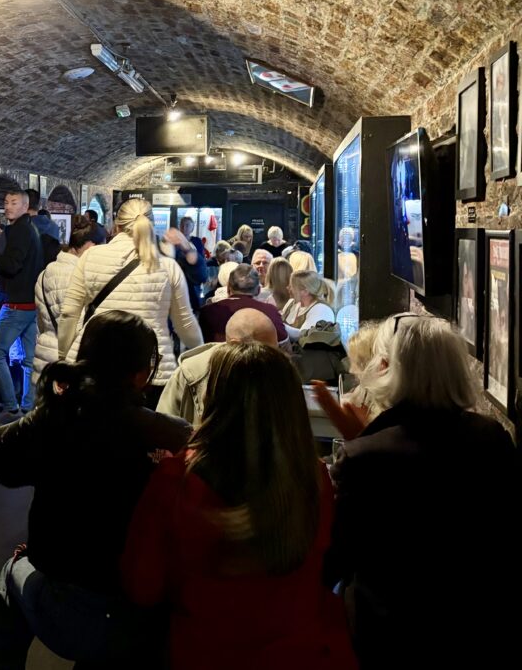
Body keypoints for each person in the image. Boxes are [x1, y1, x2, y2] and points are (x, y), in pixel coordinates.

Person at [124, 343, 358, 670]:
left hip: (205, 652)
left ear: (213, 397)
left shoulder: (176, 479)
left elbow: (142, 586)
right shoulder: (314, 478)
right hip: (305, 652)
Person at [0, 311, 191, 669]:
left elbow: (0, 459)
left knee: (12, 570)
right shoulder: (171, 435)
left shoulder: (58, 419)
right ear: (142, 373)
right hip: (146, 612)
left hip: (67, 603)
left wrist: (49, 409)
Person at [327, 315, 522, 669]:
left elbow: (338, 557)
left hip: (390, 636)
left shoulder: (364, 456)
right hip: (478, 631)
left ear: (385, 367)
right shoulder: (492, 437)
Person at [56, 198, 203, 400]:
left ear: (116, 225)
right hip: (151, 369)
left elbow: (69, 314)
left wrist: (64, 358)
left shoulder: (91, 257)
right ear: (151, 224)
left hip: (94, 362)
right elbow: (184, 323)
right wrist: (201, 358)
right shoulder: (167, 267)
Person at [0, 188, 44, 429]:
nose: (8, 207)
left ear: (25, 206)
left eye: (13, 203)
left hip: (16, 304)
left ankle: (11, 408)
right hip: (31, 304)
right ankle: (28, 408)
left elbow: (12, 265)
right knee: (28, 360)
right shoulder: (30, 229)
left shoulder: (19, 231)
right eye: (6, 202)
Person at [157, 308, 280, 426]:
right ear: (234, 345)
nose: (271, 360)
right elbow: (164, 430)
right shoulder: (192, 375)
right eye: (264, 352)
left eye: (275, 351)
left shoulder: (280, 373)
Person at [33, 214, 95, 383]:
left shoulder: (45, 274)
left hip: (45, 355)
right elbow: (79, 327)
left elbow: (39, 321)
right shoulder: (79, 278)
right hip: (69, 361)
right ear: (89, 246)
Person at [198, 263, 288, 344]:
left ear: (228, 288)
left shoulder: (207, 312)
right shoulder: (270, 311)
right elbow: (284, 347)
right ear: (258, 290)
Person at [168, 215, 207, 311]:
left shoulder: (197, 241)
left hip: (193, 279)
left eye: (187, 225)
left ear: (192, 227)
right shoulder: (173, 242)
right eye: (182, 225)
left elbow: (201, 258)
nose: (184, 227)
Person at [284, 270, 336, 341]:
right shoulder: (292, 303)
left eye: (291, 286)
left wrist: (279, 325)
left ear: (305, 291)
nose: (288, 288)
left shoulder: (321, 309)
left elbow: (304, 337)